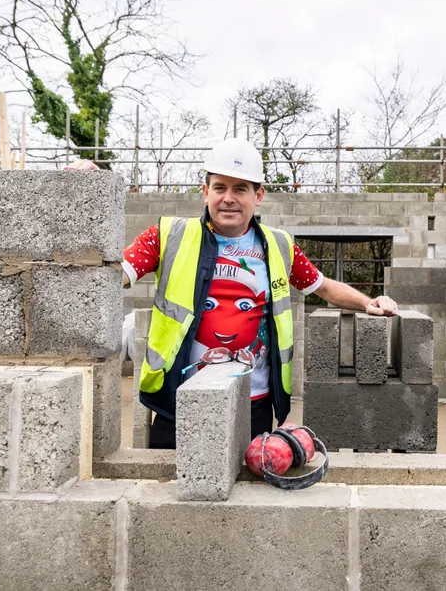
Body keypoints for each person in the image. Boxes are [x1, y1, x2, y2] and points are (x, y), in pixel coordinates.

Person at [122, 138, 398, 449]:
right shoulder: (169, 235)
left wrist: (366, 302)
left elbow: (322, 286)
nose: (229, 198)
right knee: (172, 487)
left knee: (247, 487)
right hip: (181, 397)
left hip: (253, 401)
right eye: (220, 187)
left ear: (259, 195)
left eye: (240, 188)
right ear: (205, 192)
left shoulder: (277, 245)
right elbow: (116, 272)